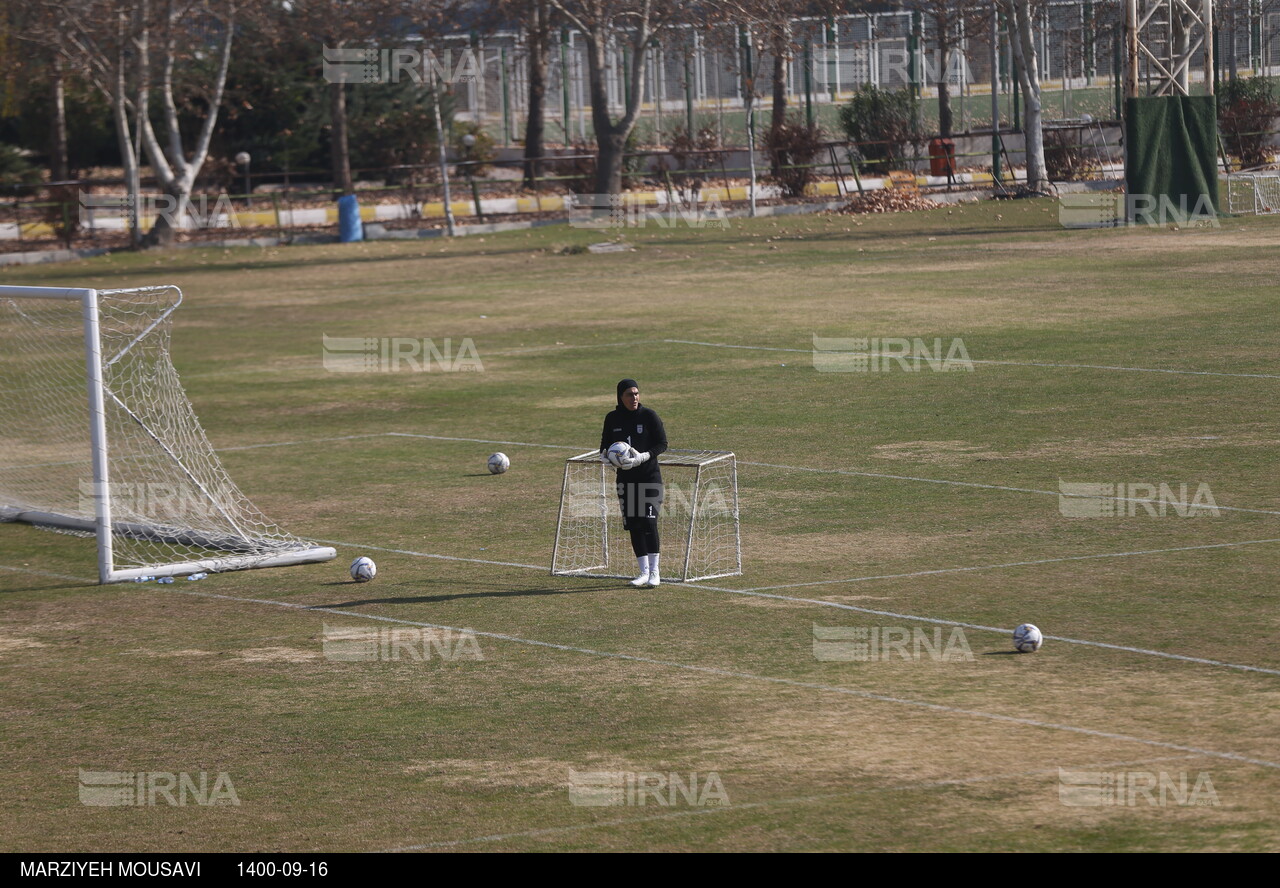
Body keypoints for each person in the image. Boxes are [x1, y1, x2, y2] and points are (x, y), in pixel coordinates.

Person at [600, 378, 668, 587]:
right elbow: (604, 445)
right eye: (629, 394)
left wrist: (643, 457)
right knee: (635, 526)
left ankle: (655, 572)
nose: (634, 398)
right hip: (626, 481)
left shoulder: (649, 416)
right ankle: (643, 573)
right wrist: (605, 457)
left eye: (636, 393)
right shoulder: (612, 418)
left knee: (649, 522)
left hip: (649, 478)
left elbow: (662, 443)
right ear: (620, 397)